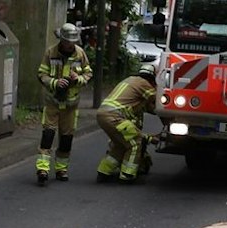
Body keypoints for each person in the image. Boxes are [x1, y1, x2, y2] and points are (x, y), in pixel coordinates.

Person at [34, 22, 89, 185]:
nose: (69, 45)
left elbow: (88, 74)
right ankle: (42, 169)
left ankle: (61, 169)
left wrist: (77, 79)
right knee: (48, 135)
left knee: (66, 138)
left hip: (71, 105)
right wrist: (54, 83)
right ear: (61, 40)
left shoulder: (80, 54)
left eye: (72, 42)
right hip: (53, 102)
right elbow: (41, 74)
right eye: (66, 42)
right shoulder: (50, 53)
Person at [95, 60, 157, 183]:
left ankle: (103, 172)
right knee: (135, 144)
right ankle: (127, 175)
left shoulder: (131, 81)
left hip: (103, 115)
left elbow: (146, 107)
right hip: (115, 117)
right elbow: (159, 102)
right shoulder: (144, 84)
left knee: (121, 144)